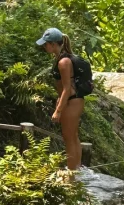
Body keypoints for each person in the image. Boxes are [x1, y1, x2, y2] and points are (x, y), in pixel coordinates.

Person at [37, 28, 93, 172]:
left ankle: (72, 172)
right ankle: (76, 169)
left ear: (54, 44)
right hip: (73, 101)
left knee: (68, 138)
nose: (44, 47)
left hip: (71, 102)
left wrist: (58, 110)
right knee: (73, 136)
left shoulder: (64, 62)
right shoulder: (62, 59)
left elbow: (67, 89)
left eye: (46, 44)